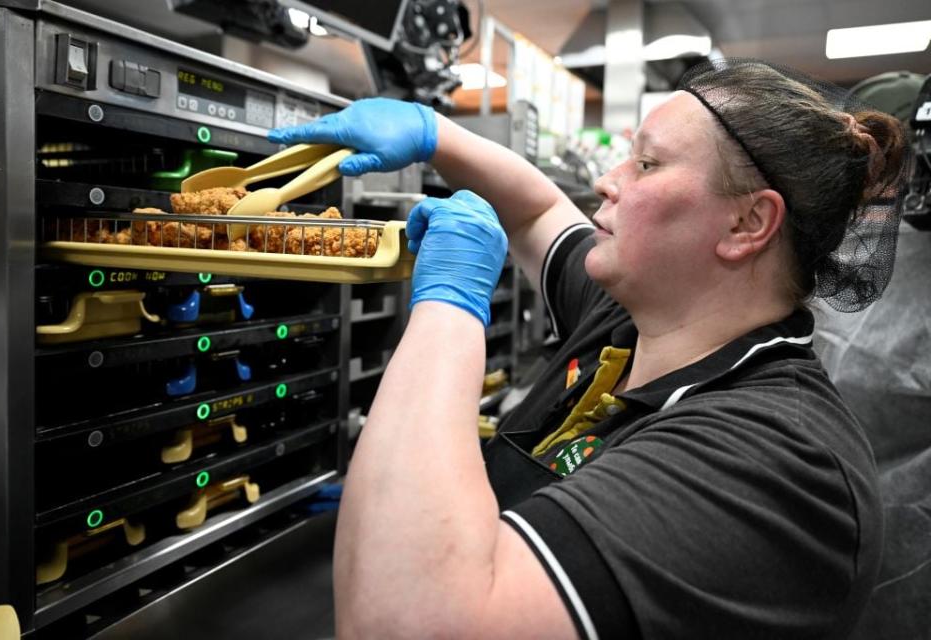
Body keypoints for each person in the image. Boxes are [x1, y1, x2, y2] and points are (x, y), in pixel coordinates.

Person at [269, 58, 911, 639]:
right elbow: (535, 212)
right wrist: (434, 133)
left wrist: (448, 306)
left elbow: (410, 624)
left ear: (747, 225)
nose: (607, 181)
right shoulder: (633, 323)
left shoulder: (779, 462)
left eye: (647, 164)